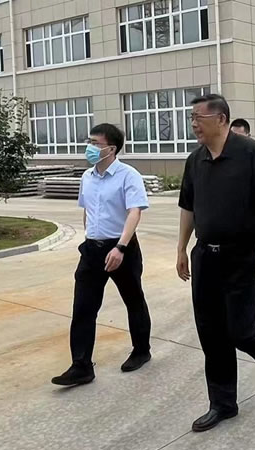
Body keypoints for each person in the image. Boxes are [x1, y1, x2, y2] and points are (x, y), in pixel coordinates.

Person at [177, 94, 255, 432]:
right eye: (192, 118)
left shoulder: (249, 152)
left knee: (241, 329)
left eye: (199, 118)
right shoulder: (195, 160)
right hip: (206, 257)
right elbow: (188, 207)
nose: (194, 124)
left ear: (221, 119)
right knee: (211, 333)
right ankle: (223, 403)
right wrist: (181, 249)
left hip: (243, 256)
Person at [52, 124, 152, 386]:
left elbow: (134, 212)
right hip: (92, 250)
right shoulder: (87, 176)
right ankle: (81, 365)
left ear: (111, 148)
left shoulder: (128, 175)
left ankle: (141, 350)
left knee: (133, 300)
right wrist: (89, 238)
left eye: (96, 143)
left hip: (122, 248)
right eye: (89, 142)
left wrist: (120, 247)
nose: (90, 148)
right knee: (83, 307)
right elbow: (87, 210)